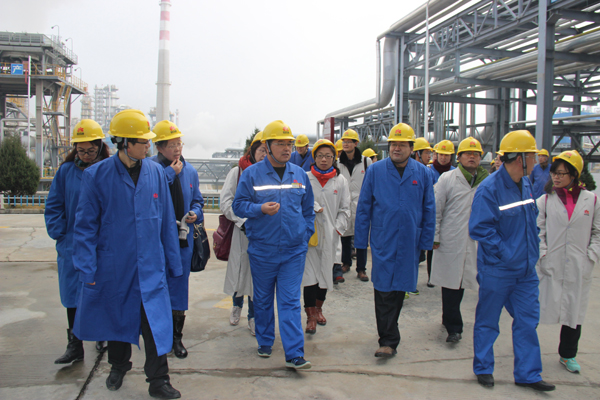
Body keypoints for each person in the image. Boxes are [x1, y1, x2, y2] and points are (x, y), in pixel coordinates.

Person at [72, 109, 183, 399]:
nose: (148, 146)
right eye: (143, 142)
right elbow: (85, 226)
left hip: (150, 266)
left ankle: (158, 380)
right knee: (117, 317)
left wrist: (173, 262)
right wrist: (87, 268)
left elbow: (165, 220)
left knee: (155, 324)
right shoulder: (97, 175)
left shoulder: (155, 173)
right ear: (124, 143)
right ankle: (118, 366)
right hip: (114, 265)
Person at [469, 130, 555, 392]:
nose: (536, 160)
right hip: (498, 270)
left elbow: (530, 221)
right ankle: (483, 367)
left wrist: (531, 251)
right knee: (488, 321)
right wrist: (507, 253)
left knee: (528, 321)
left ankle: (528, 374)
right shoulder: (489, 189)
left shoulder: (526, 184)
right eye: (532, 155)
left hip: (525, 271)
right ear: (520, 159)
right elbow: (479, 228)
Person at [232, 120, 315, 370]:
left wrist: (304, 233)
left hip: (293, 251)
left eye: (289, 143)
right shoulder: (251, 174)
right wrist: (259, 209)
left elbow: (308, 209)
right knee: (263, 299)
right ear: (267, 146)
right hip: (263, 250)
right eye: (280, 143)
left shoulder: (299, 174)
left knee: (290, 301)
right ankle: (265, 340)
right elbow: (238, 206)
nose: (287, 148)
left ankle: (294, 353)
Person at [355, 123, 435, 358]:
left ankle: (390, 332)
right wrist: (360, 241)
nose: (396, 148)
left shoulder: (422, 173)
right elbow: (364, 208)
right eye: (393, 144)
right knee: (382, 288)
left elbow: (429, 208)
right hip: (384, 237)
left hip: (410, 239)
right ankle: (388, 340)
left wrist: (426, 242)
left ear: (412, 148)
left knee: (400, 287)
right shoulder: (375, 171)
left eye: (402, 144)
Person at [45, 119, 110, 364]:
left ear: (99, 146)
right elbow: (54, 205)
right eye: (80, 150)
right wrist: (60, 233)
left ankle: (102, 334)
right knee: (72, 296)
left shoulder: (108, 171)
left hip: (101, 244)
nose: (85, 155)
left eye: (90, 150)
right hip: (72, 244)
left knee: (100, 291)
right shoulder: (66, 172)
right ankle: (75, 344)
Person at [536, 150, 600, 374]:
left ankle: (568, 354)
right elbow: (539, 232)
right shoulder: (545, 200)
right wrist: (543, 254)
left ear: (574, 175)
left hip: (578, 264)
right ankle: (526, 348)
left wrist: (591, 255)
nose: (556, 177)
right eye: (554, 173)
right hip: (550, 263)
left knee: (574, 312)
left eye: (561, 173)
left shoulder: (591, 200)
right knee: (537, 308)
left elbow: (597, 232)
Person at [150, 120, 204, 359]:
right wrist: (170, 174)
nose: (177, 149)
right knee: (156, 286)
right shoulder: (151, 169)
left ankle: (176, 337)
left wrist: (195, 213)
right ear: (159, 147)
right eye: (171, 145)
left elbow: (198, 199)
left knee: (179, 288)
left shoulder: (189, 170)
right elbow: (147, 195)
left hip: (182, 240)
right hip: (156, 240)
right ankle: (156, 336)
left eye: (179, 144)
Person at [430, 137, 488, 343]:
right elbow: (436, 209)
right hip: (451, 238)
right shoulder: (447, 179)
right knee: (450, 283)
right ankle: (454, 327)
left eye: (476, 154)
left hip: (476, 240)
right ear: (460, 157)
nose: (472, 157)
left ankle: (449, 318)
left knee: (462, 282)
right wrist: (435, 236)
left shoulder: (487, 181)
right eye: (467, 154)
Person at [221, 131, 268, 335]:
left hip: (263, 234)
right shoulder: (238, 172)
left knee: (257, 277)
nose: (264, 154)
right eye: (261, 150)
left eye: (267, 150)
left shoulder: (271, 174)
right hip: (242, 232)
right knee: (240, 272)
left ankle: (253, 316)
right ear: (253, 151)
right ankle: (236, 306)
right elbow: (226, 201)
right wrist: (242, 222)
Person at [303, 139, 350, 334]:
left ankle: (319, 309)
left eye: (328, 156)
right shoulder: (305, 178)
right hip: (309, 236)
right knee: (309, 276)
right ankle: (310, 316)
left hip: (331, 236)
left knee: (324, 274)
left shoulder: (341, 181)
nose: (324, 160)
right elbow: (299, 202)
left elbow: (345, 209)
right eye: (320, 156)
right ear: (314, 158)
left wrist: (337, 229)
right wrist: (313, 207)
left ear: (334, 158)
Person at [338, 129, 372, 281]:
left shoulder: (366, 162)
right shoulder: (338, 162)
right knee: (345, 236)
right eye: (344, 141)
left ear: (356, 143)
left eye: (349, 141)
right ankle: (346, 263)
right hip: (344, 203)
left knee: (361, 237)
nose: (345, 144)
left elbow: (370, 182)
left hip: (361, 204)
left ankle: (361, 269)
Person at [426, 139, 456, 289]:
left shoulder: (455, 173)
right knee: (432, 246)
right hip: (433, 212)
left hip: (450, 214)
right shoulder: (429, 171)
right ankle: (431, 276)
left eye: (446, 155)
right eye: (441, 154)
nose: (443, 158)